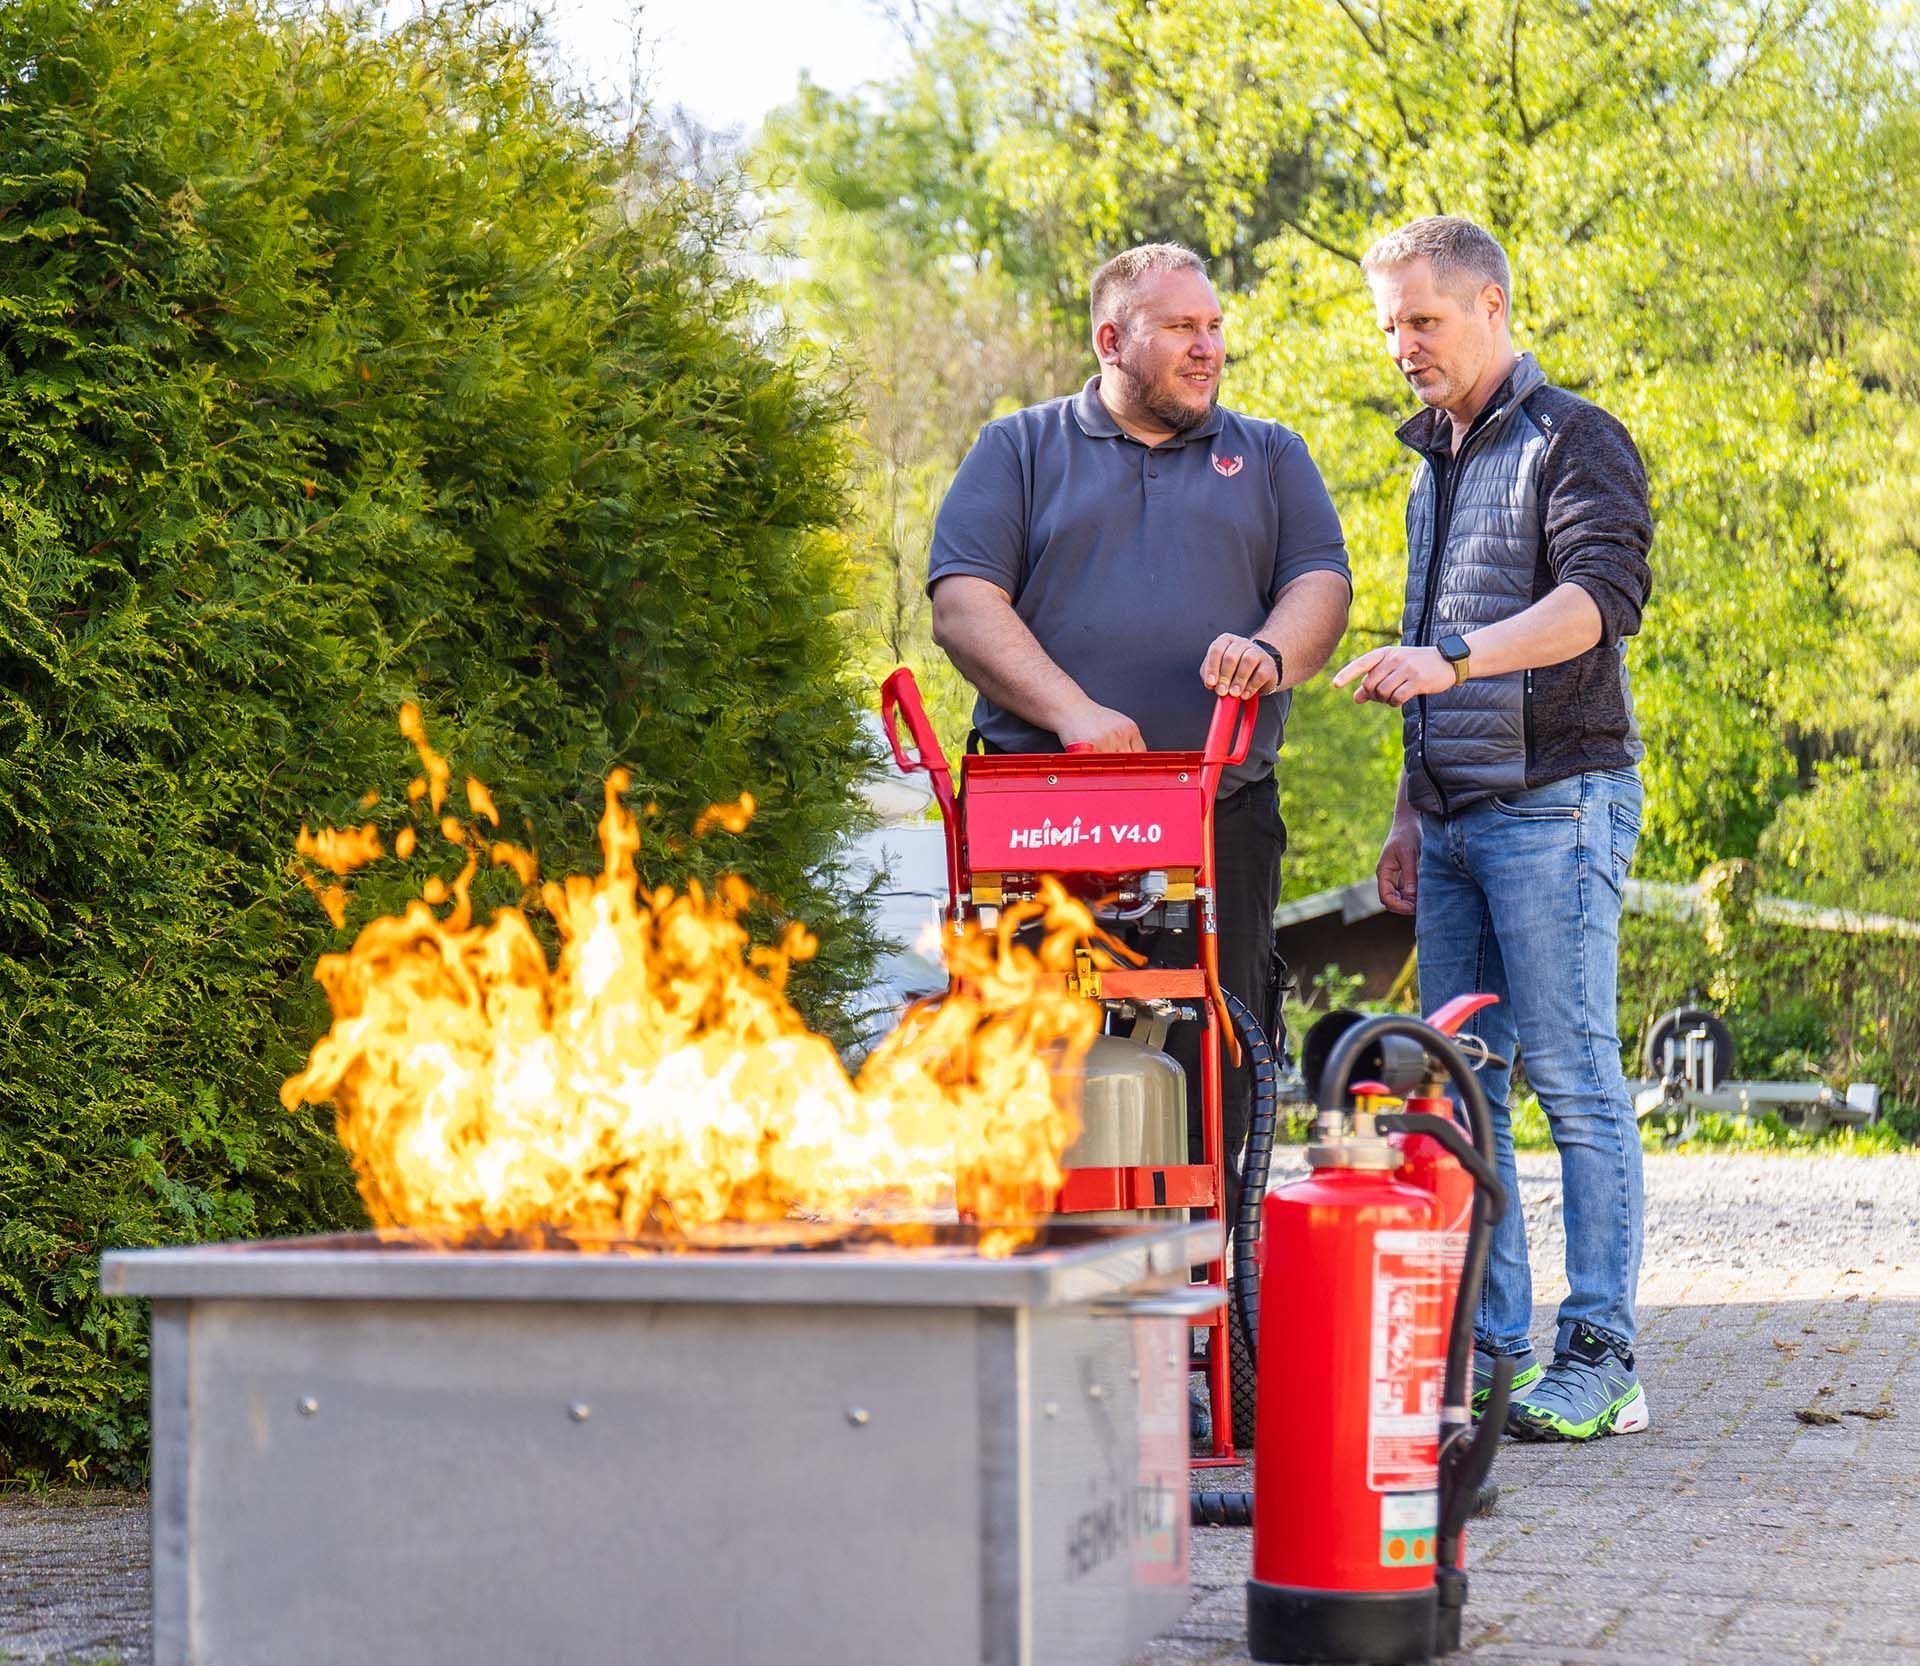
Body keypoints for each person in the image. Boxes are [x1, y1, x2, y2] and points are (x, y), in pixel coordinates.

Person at [927, 242, 1352, 1228]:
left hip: (1219, 815)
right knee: (1033, 1060)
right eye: (1181, 329)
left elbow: (1321, 587)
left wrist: (1270, 651)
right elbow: (963, 601)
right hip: (1043, 825)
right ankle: (1032, 1277)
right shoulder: (1020, 449)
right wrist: (1072, 713)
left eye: (1213, 328)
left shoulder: (1272, 454)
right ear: (1111, 338)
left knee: (1223, 1058)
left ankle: (1204, 1309)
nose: (1208, 349)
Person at [1332, 216, 1655, 1441]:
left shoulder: (1575, 438)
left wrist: (1456, 658)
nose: (1403, 344)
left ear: (1493, 305)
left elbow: (1595, 604)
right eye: (1389, 327)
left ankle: (1603, 1354)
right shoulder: (1431, 468)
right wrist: (1409, 813)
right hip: (1456, 826)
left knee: (1574, 1078)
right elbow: (1422, 658)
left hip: (1558, 807)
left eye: (1423, 319)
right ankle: (1493, 1351)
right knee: (1466, 1091)